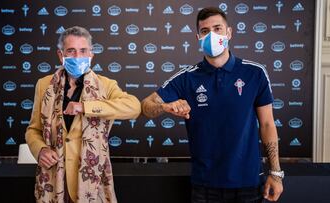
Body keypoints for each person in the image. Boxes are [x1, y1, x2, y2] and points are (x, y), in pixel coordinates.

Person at [141, 7, 283, 203]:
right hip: (205, 186)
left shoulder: (255, 73)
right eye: (205, 31)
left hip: (248, 183)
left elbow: (267, 124)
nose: (212, 35)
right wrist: (166, 106)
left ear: (229, 33)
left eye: (218, 29)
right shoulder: (186, 78)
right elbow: (147, 106)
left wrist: (275, 173)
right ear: (198, 37)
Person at [26, 26, 141, 203]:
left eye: (83, 51)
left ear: (91, 55)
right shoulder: (43, 85)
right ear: (60, 55)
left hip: (91, 180)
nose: (78, 56)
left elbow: (134, 107)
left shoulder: (106, 85)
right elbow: (33, 130)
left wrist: (85, 107)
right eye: (71, 51)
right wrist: (40, 149)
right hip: (54, 179)